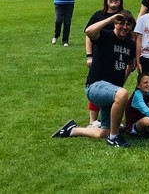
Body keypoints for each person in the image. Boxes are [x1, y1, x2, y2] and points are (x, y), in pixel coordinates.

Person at [52, 11, 137, 147]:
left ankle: (72, 130)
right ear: (115, 24)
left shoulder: (130, 44)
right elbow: (89, 31)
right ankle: (114, 138)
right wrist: (111, 18)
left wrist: (122, 81)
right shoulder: (105, 35)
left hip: (111, 91)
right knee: (122, 94)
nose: (124, 27)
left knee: (105, 132)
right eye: (121, 23)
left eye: (128, 24)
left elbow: (131, 64)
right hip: (95, 87)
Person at [84, 0, 126, 126]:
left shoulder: (124, 16)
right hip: (100, 56)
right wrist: (89, 55)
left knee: (113, 87)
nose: (114, 0)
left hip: (117, 56)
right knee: (97, 84)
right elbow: (88, 35)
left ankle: (111, 120)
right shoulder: (99, 15)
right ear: (106, 0)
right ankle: (93, 120)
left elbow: (131, 34)